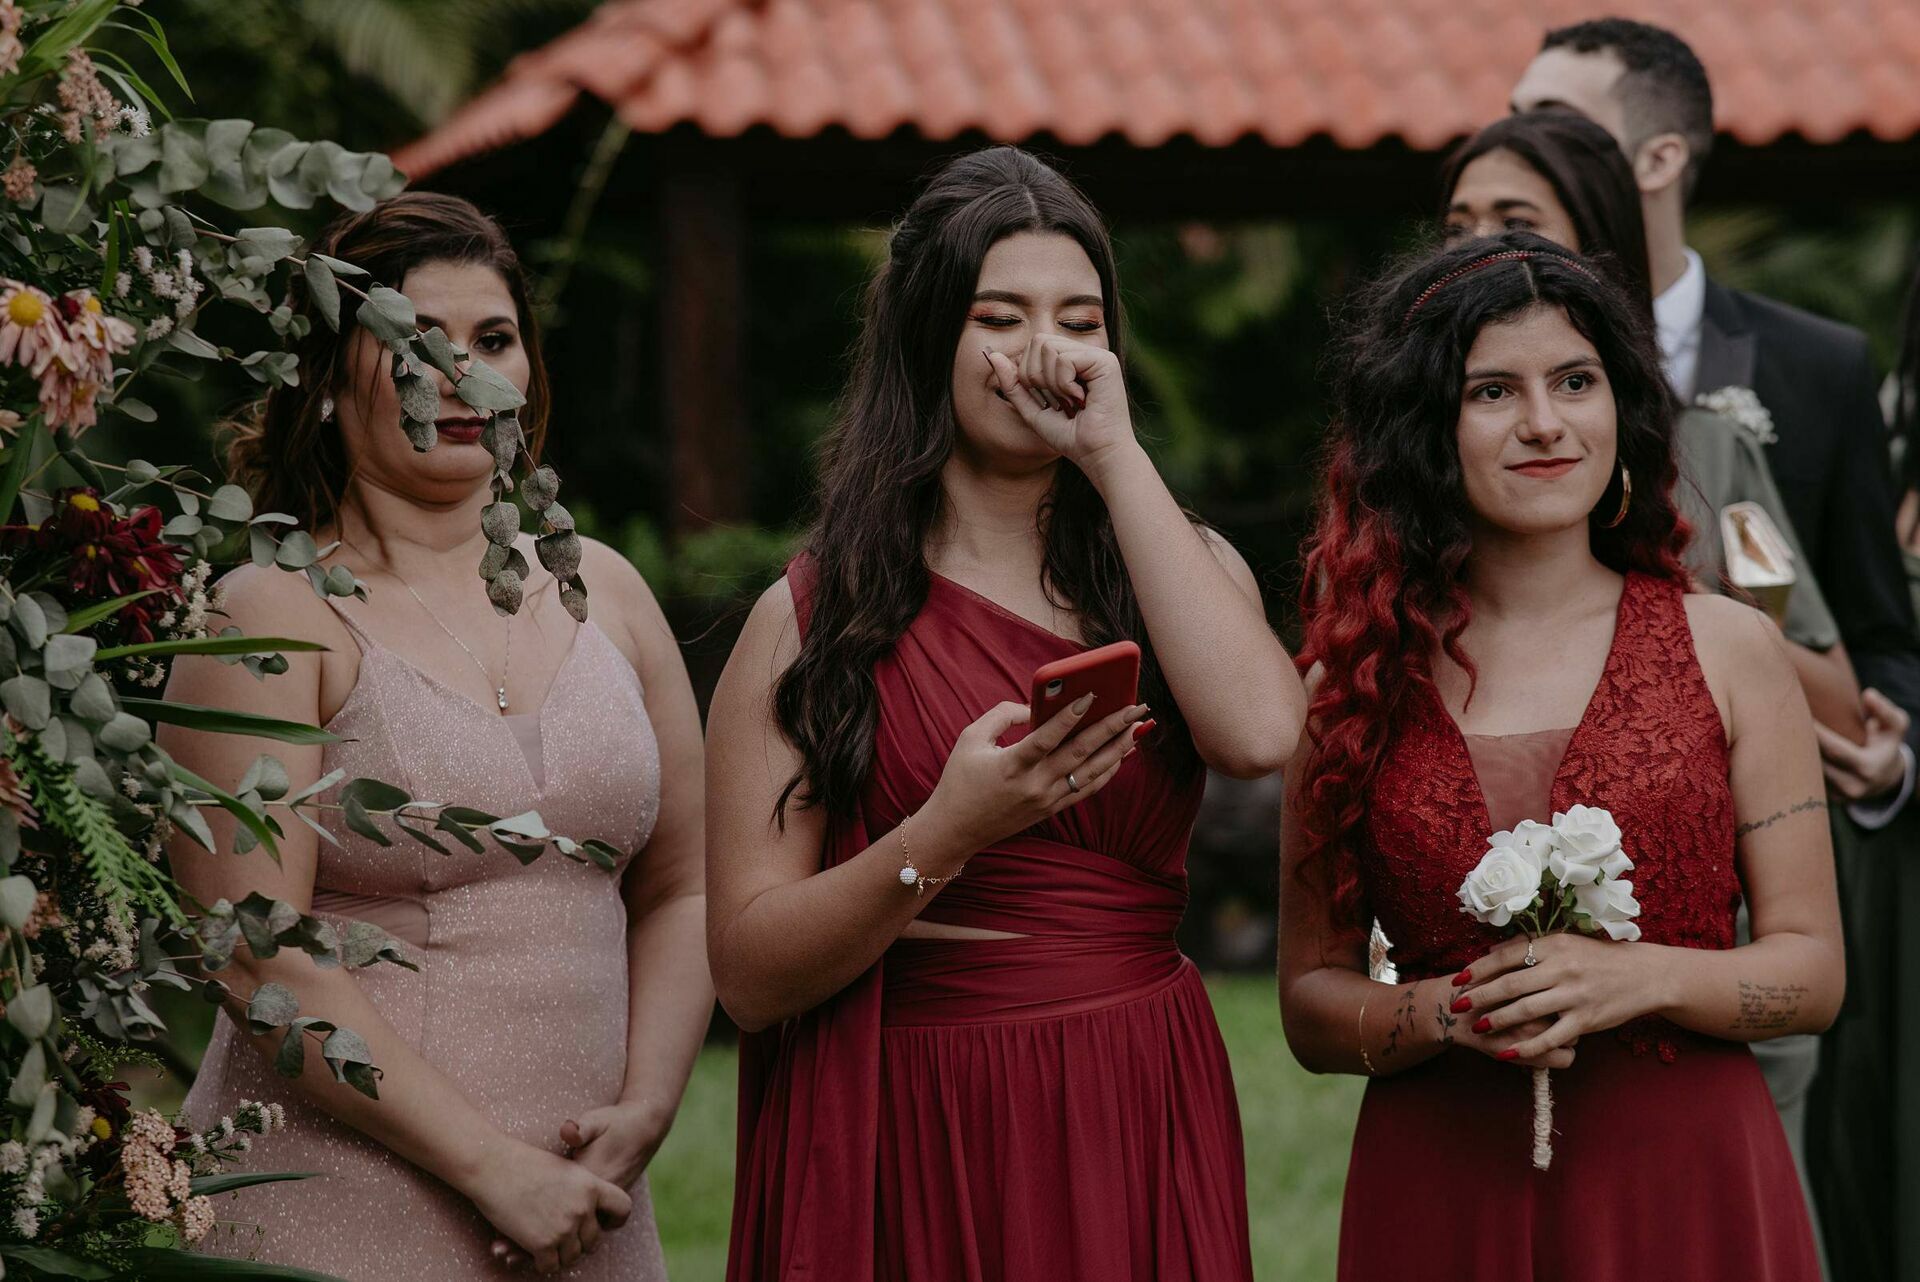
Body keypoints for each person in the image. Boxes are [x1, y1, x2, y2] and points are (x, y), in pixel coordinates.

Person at [708, 146, 1304, 1281]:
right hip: (916, 1097)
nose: (1045, 351)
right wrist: (949, 831)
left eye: (1080, 320)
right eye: (1002, 315)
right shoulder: (811, 620)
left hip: (1131, 1078)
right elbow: (746, 970)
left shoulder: (1172, 559)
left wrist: (1117, 457)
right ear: (931, 337)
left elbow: (1261, 735)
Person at [168, 193, 713, 1280]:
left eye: (492, 340)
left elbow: (686, 884)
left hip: (588, 1201)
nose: (462, 373)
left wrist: (646, 1106)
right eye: (414, 343)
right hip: (348, 1199)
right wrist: (488, 1166)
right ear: (328, 381)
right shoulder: (272, 608)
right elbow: (252, 944)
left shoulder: (605, 590)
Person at [1280, 231, 1840, 1281]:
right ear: (1425, 430)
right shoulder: (1351, 690)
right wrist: (1450, 1010)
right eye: (1492, 391)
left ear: (1618, 409)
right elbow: (1311, 1004)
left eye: (1574, 381)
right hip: (1442, 1186)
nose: (1543, 423)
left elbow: (1811, 974)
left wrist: (1636, 977)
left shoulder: (1730, 650)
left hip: (1687, 1182)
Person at [1441, 109, 1863, 741]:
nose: (1480, 245)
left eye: (1517, 223)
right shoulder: (1403, 451)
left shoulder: (1711, 450)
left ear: (1597, 241)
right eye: (1457, 227)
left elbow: (1840, 706)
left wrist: (1673, 607)